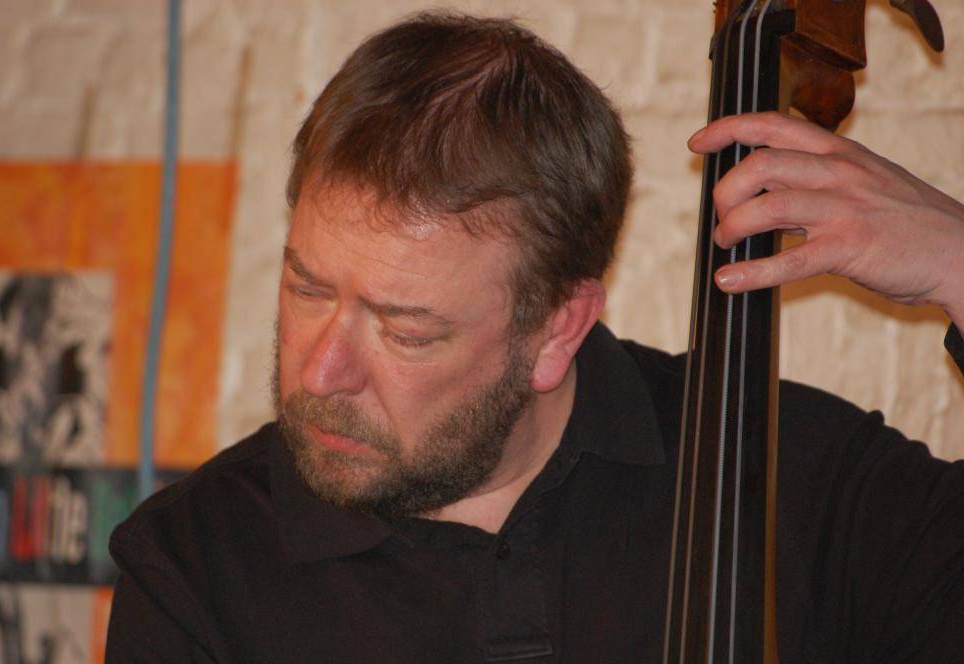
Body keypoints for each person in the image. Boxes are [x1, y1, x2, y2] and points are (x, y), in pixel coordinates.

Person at [105, 12, 964, 663]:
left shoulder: (800, 481)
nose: (322, 372)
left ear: (558, 328)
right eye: (306, 288)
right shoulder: (194, 568)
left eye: (405, 330)